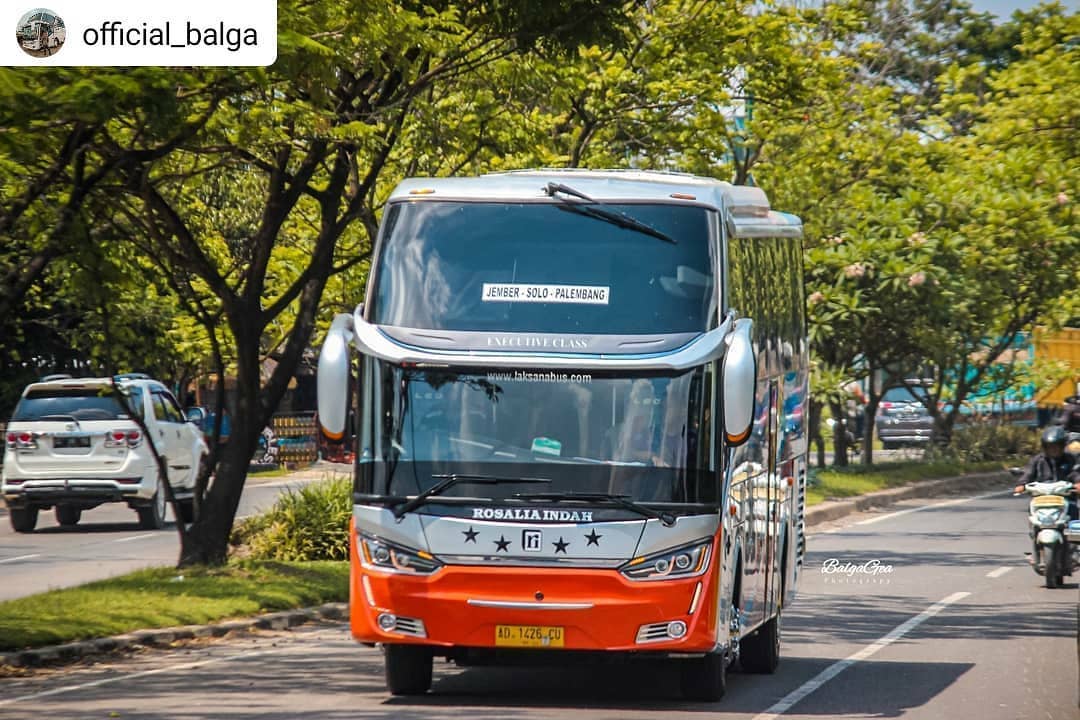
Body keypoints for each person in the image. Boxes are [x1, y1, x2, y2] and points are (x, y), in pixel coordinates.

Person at [1015, 425, 1080, 521]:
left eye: (1056, 446)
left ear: (1062, 446)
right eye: (1050, 447)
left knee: (1073, 508)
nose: (1053, 449)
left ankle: (1072, 528)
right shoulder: (1038, 460)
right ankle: (1036, 527)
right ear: (1045, 447)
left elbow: (1075, 472)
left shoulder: (1070, 459)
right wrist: (1022, 484)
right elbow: (1028, 473)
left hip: (1065, 497)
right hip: (1042, 498)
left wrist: (1078, 483)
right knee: (1032, 507)